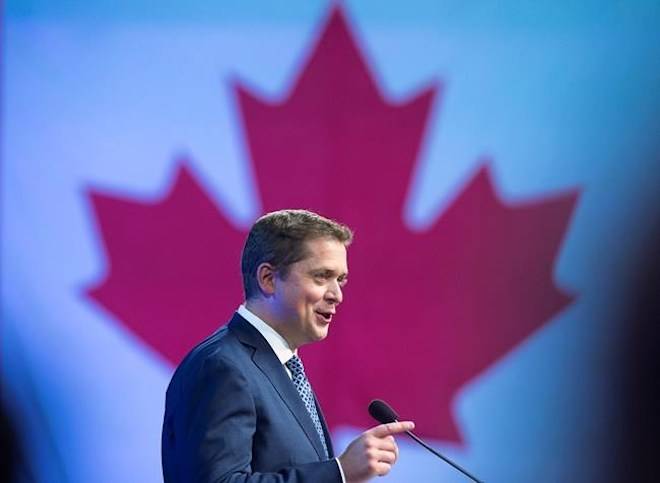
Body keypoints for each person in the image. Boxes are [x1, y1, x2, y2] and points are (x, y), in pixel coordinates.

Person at [162, 209, 413, 483]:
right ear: (268, 279)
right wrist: (339, 472)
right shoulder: (223, 367)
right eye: (322, 276)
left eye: (340, 279)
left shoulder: (279, 366)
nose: (337, 295)